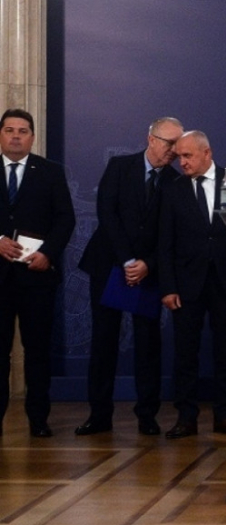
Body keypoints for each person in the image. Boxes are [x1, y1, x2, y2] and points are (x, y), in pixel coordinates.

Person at [76, 117, 183, 437]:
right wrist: (128, 260)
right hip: (110, 264)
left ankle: (147, 415)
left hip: (148, 272)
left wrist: (146, 264)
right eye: (169, 143)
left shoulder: (176, 182)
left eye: (178, 145)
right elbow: (107, 214)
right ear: (151, 139)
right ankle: (99, 414)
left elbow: (171, 234)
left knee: (148, 344)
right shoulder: (120, 167)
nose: (174, 151)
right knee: (103, 341)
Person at [158, 131, 226, 439]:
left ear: (207, 153)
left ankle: (225, 415)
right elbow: (164, 242)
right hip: (186, 283)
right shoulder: (173, 188)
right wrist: (168, 287)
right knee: (185, 353)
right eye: (179, 157)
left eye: (188, 156)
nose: (181, 162)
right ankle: (186, 417)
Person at [0, 108, 76, 437]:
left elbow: (65, 219)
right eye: (10, 130)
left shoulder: (50, 172)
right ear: (0, 135)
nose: (16, 136)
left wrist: (47, 253)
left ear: (32, 137)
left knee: (38, 352)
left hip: (37, 277)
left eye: (23, 131)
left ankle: (38, 419)